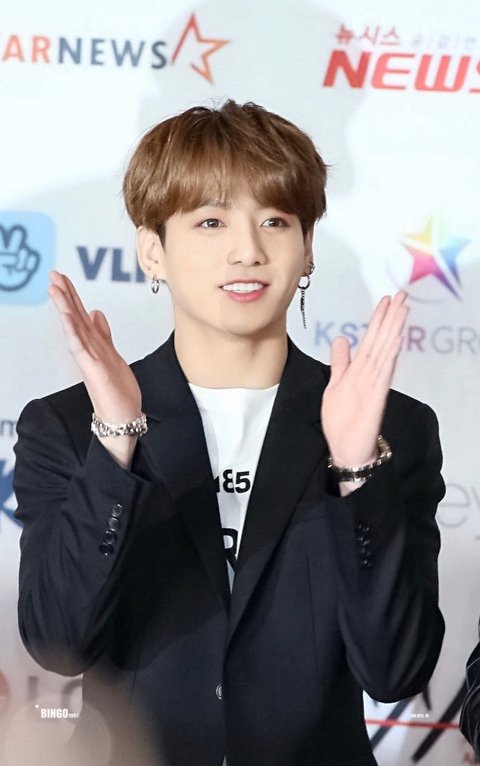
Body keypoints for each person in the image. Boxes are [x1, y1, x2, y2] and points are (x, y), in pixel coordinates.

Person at [13, 100, 445, 766]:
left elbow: (396, 671)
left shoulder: (395, 430)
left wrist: (357, 472)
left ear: (307, 248)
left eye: (275, 221)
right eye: (210, 222)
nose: (248, 251)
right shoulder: (70, 426)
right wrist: (116, 440)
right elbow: (59, 644)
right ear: (152, 250)